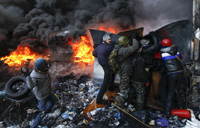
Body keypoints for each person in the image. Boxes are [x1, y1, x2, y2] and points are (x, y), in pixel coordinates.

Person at [26, 58, 58, 128]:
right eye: (45, 66)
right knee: (41, 113)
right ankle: (34, 126)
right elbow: (30, 86)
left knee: (54, 101)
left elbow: (48, 73)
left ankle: (47, 110)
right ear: (40, 68)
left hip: (48, 92)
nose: (47, 67)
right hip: (42, 96)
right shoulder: (34, 76)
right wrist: (28, 77)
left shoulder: (44, 71)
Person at [160, 39, 184, 118]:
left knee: (170, 92)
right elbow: (181, 57)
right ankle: (182, 109)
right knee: (178, 91)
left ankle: (167, 114)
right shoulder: (176, 50)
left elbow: (159, 62)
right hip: (180, 72)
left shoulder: (162, 53)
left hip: (172, 74)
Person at [114, 36, 139, 107]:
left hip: (122, 69)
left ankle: (124, 102)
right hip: (125, 70)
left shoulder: (117, 48)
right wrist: (134, 38)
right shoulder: (123, 51)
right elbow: (135, 47)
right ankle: (120, 104)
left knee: (124, 85)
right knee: (123, 88)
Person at [92, 34, 115, 104]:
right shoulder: (109, 47)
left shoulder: (99, 47)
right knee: (105, 81)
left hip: (102, 63)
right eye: (109, 39)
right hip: (106, 65)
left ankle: (109, 87)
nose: (110, 40)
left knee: (112, 73)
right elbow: (113, 55)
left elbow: (94, 54)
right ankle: (99, 100)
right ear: (105, 40)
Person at [128, 46, 149, 110]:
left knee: (131, 93)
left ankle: (129, 105)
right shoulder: (140, 59)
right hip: (138, 79)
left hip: (131, 77)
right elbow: (141, 72)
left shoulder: (130, 56)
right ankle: (139, 110)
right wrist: (146, 80)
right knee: (140, 95)